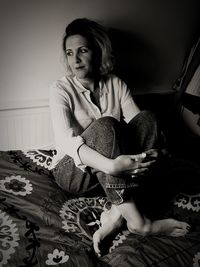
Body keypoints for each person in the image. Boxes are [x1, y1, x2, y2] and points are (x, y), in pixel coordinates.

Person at [49, 18, 190, 257]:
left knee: (148, 117)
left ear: (98, 51)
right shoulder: (60, 89)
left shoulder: (115, 83)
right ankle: (140, 223)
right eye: (70, 52)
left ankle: (115, 215)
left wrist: (155, 152)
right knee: (106, 125)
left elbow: (140, 126)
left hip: (108, 172)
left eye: (83, 50)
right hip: (73, 172)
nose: (75, 59)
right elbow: (65, 142)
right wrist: (112, 165)